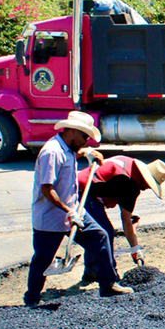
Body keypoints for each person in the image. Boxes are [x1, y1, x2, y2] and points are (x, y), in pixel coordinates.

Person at [24, 111, 133, 308]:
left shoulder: (68, 148)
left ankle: (108, 284)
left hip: (75, 210)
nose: (86, 141)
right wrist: (68, 211)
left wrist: (87, 153)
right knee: (43, 259)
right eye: (84, 137)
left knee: (101, 236)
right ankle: (31, 299)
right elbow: (47, 189)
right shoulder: (52, 153)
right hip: (51, 217)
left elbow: (76, 152)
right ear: (73, 131)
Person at [77, 156, 165, 283]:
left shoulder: (128, 163)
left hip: (78, 185)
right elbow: (126, 221)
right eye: (149, 185)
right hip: (83, 192)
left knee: (96, 231)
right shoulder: (131, 184)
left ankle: (91, 272)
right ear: (145, 178)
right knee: (104, 233)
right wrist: (135, 249)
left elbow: (126, 213)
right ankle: (109, 277)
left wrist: (131, 225)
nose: (147, 188)